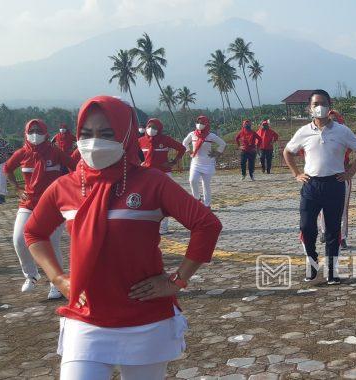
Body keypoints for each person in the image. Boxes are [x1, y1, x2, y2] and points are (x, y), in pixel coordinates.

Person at [23, 95, 222, 379]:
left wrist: (178, 280)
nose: (94, 142)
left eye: (107, 134)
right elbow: (34, 232)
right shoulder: (63, 187)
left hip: (144, 319)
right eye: (86, 134)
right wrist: (58, 278)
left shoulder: (152, 182)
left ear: (126, 135)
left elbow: (206, 224)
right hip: (86, 316)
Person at [283, 90, 356, 284]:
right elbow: (288, 152)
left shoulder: (341, 130)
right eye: (315, 104)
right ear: (309, 108)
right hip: (311, 185)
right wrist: (296, 173)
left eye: (323, 103)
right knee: (306, 227)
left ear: (330, 106)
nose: (319, 107)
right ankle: (312, 265)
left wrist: (350, 172)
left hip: (334, 184)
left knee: (332, 230)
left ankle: (332, 271)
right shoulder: (303, 131)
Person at [4, 119, 75, 298]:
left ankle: (57, 283)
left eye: (38, 130)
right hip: (29, 203)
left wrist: (67, 187)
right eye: (31, 130)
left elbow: (75, 168)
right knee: (19, 239)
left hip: (53, 205)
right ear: (26, 133)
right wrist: (18, 188)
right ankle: (31, 274)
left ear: (45, 132)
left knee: (51, 242)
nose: (35, 133)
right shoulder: (22, 154)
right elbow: (7, 169)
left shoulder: (55, 152)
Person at [139, 118, 187, 234]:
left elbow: (182, 148)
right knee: (147, 201)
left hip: (164, 174)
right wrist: (140, 164)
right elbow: (132, 153)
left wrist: (173, 162)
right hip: (147, 174)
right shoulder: (140, 141)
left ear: (159, 129)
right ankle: (148, 225)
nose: (151, 130)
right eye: (149, 127)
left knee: (164, 200)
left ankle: (163, 227)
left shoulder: (165, 140)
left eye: (154, 128)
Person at [318, 109, 354, 249]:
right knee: (322, 207)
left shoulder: (345, 133)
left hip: (341, 175)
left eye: (334, 120)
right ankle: (324, 231)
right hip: (322, 176)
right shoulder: (317, 134)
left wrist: (350, 170)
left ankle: (342, 237)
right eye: (328, 119)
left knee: (342, 209)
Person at [183, 115, 226, 207]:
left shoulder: (211, 136)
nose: (199, 125)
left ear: (206, 124)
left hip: (208, 163)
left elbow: (222, 144)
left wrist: (217, 153)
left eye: (202, 123)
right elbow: (184, 143)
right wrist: (188, 151)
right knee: (192, 180)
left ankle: (207, 205)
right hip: (196, 162)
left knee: (205, 185)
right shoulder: (192, 134)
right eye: (198, 122)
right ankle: (197, 198)